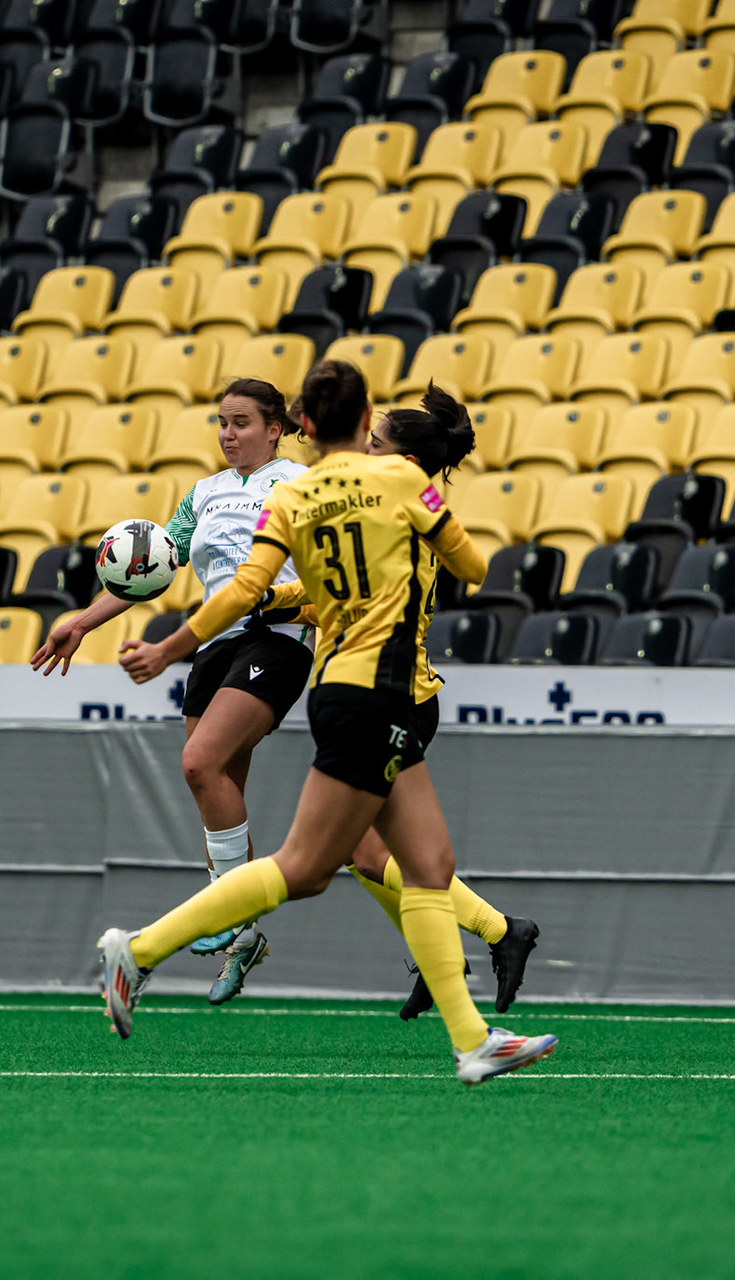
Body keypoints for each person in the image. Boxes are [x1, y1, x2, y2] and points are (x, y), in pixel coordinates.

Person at [99, 360, 558, 1086]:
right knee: (305, 869)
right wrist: (427, 498)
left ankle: (473, 1040)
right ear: (365, 416)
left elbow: (246, 594)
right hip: (381, 688)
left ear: (302, 425)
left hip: (347, 687)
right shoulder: (405, 482)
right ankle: (139, 951)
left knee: (427, 866)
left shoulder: (297, 494)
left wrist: (168, 647)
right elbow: (471, 563)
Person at [220, 386, 542, 1021]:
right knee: (365, 853)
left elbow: (359, 600)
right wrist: (278, 600)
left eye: (376, 442)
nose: (366, 449)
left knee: (356, 854)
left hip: (388, 695)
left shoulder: (404, 508)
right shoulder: (398, 507)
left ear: (401, 459)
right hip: (379, 692)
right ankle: (457, 955)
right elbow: (340, 597)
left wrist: (266, 599)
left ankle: (499, 933)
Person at [31, 379, 313, 1004]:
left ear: (275, 428)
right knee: (214, 783)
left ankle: (227, 912)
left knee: (198, 762)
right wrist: (80, 621)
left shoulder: (299, 481)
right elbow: (152, 569)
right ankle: (245, 935)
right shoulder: (205, 493)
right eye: (221, 422)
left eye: (240, 422)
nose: (227, 434)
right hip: (213, 642)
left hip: (277, 638)